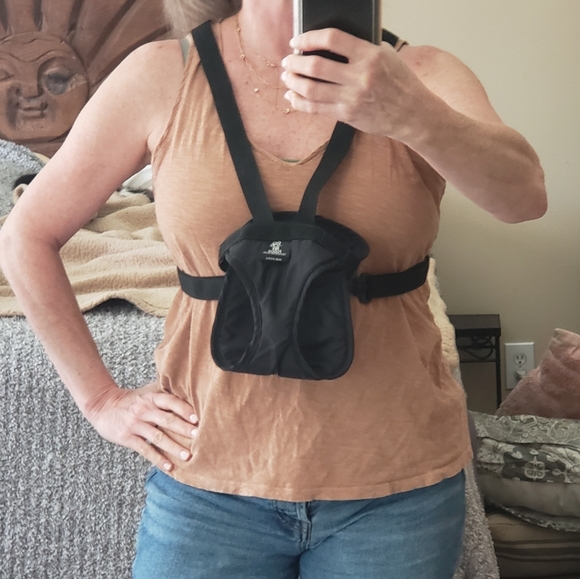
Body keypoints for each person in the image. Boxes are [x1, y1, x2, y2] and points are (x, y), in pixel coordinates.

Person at [0, 1, 547, 577]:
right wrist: (100, 401)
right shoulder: (162, 73)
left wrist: (412, 114)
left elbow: (524, 199)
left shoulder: (421, 73)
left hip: (397, 488)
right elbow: (27, 234)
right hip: (207, 486)